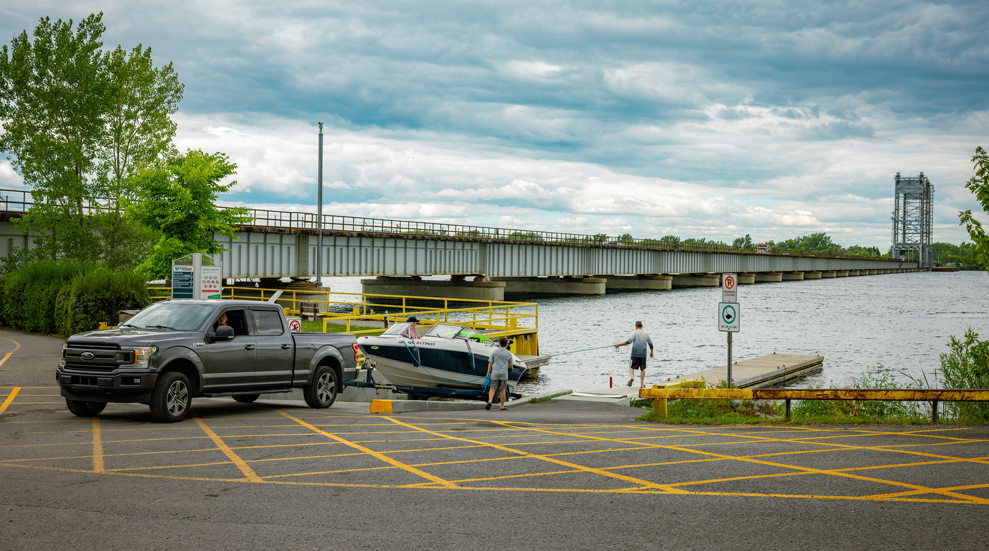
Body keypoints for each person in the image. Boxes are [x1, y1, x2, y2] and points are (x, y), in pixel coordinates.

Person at [614, 321, 653, 388]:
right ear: (642, 326)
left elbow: (629, 342)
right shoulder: (646, 334)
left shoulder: (634, 333)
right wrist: (651, 352)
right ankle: (641, 385)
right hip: (643, 354)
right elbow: (651, 344)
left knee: (631, 367)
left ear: (635, 326)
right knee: (643, 369)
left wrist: (618, 345)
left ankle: (632, 377)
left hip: (635, 353)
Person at [485, 336, 514, 411]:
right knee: (502, 389)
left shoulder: (494, 352)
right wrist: (506, 367)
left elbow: (490, 363)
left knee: (492, 388)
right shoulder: (508, 354)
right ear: (507, 344)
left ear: (499, 343)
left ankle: (490, 401)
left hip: (495, 373)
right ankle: (502, 406)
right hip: (504, 374)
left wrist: (488, 372)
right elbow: (511, 365)